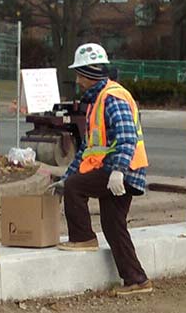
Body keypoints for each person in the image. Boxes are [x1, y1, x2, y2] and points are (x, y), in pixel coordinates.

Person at [56, 42, 153, 297]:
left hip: (121, 172)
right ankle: (137, 280)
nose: (77, 80)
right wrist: (63, 178)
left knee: (76, 187)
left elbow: (127, 136)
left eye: (79, 74)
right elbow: (88, 150)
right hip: (119, 171)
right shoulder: (99, 100)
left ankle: (83, 237)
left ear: (90, 74)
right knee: (113, 224)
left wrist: (118, 171)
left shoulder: (112, 97)